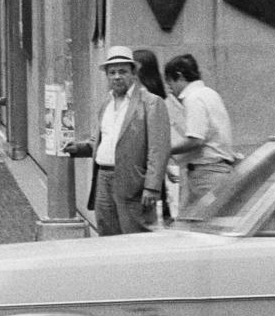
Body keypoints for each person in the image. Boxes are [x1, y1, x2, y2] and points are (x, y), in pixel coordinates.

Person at [63, 46, 170, 235]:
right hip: (103, 178)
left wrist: (152, 187)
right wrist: (79, 148)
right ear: (106, 75)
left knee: (135, 235)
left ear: (133, 73)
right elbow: (102, 140)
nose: (117, 77)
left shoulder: (151, 103)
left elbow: (158, 149)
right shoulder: (106, 103)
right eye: (112, 72)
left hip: (133, 182)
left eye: (122, 71)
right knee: (106, 233)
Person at [163, 54, 239, 214]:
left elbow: (196, 140)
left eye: (170, 83)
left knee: (203, 219)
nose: (170, 89)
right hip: (218, 168)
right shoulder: (210, 93)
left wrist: (166, 150)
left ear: (179, 76)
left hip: (206, 173)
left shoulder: (193, 98)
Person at [133, 48, 183, 221]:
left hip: (147, 169)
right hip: (153, 168)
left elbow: (156, 139)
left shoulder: (149, 98)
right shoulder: (155, 96)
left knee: (152, 214)